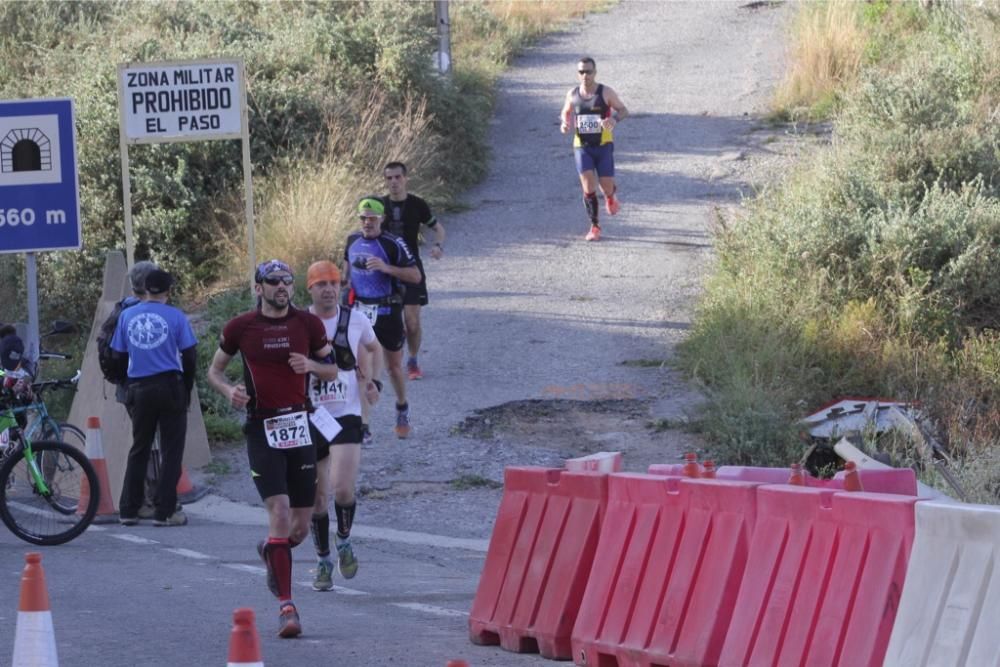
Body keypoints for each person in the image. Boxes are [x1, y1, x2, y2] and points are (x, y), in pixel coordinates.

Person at [206, 259, 337, 639]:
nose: (282, 286)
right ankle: (287, 607)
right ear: (258, 287)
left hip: (300, 426)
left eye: (287, 281)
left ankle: (271, 550)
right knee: (278, 512)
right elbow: (214, 371)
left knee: (298, 528)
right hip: (262, 429)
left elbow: (333, 370)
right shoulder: (240, 327)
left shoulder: (307, 324)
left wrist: (311, 364)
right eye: (274, 281)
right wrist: (229, 390)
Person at [303, 260, 381, 591]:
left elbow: (374, 347)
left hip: (345, 414)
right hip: (310, 415)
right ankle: (322, 560)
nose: (329, 289)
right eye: (321, 284)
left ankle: (344, 539)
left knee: (343, 488)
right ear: (310, 289)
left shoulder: (355, 319)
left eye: (334, 283)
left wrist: (373, 380)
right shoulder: (301, 323)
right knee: (318, 499)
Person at [109, 269, 197, 528]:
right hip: (170, 386)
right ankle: (165, 512)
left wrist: (127, 383)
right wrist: (187, 390)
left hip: (139, 387)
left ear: (144, 289)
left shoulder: (127, 316)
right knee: (171, 451)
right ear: (169, 291)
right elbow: (190, 355)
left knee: (139, 448)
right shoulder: (175, 316)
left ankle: (128, 509)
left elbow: (117, 355)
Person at [342, 197, 422, 440]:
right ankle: (364, 426)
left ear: (382, 219)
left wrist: (387, 268)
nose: (367, 222)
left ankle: (401, 406)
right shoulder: (352, 241)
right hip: (359, 312)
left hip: (387, 313)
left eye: (372, 218)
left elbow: (416, 276)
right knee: (361, 368)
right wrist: (342, 284)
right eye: (363, 218)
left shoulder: (392, 244)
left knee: (393, 367)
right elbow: (346, 271)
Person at [381, 161, 445, 381]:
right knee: (389, 321)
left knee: (412, 322)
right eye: (389, 178)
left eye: (398, 177)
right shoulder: (380, 206)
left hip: (411, 270)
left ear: (405, 178)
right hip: (385, 271)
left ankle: (413, 360)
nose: (394, 182)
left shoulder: (418, 204)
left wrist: (438, 246)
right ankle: (391, 356)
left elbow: (438, 229)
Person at [560, 56, 629, 241]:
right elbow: (566, 112)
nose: (585, 75)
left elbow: (623, 110)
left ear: (595, 72)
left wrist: (614, 119)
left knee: (606, 185)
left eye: (588, 71)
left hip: (603, 145)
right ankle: (595, 226)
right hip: (582, 147)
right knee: (588, 187)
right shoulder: (572, 94)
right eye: (581, 72)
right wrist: (565, 124)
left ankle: (610, 196)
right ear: (578, 74)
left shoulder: (605, 92)